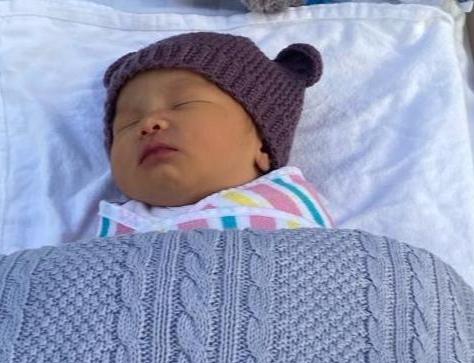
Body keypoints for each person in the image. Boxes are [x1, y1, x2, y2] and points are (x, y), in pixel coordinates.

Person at [97, 31, 336, 236]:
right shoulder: (112, 231)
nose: (148, 123)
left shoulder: (285, 204)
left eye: (183, 104)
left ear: (262, 145)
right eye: (128, 123)